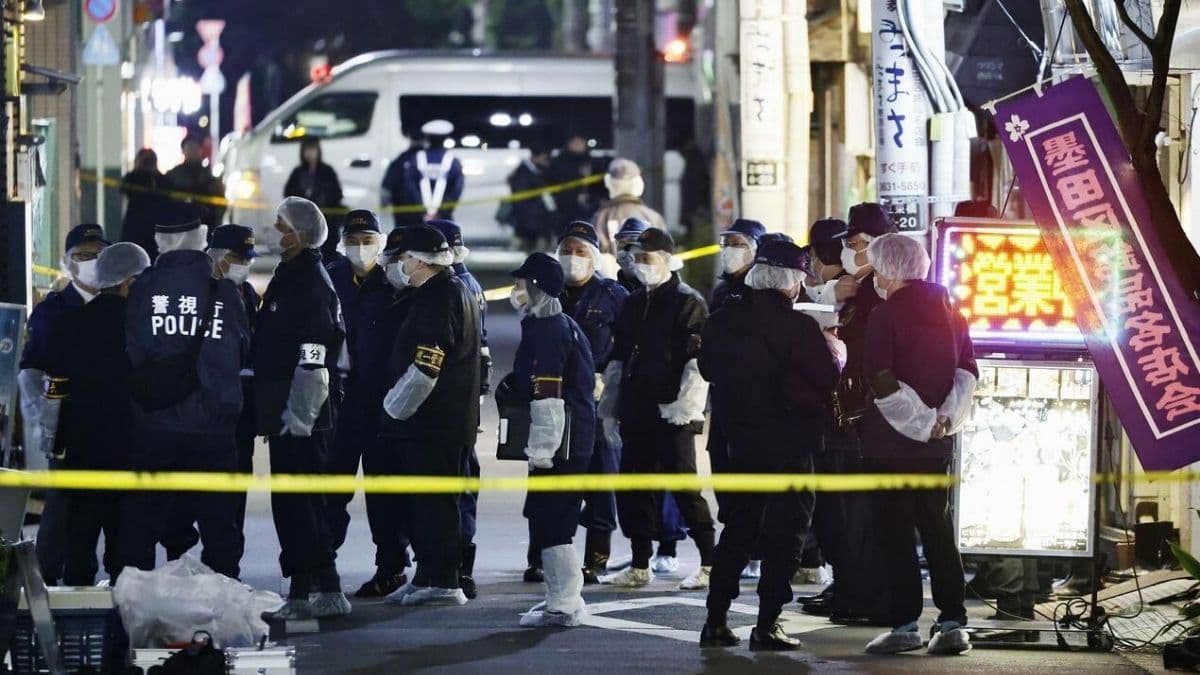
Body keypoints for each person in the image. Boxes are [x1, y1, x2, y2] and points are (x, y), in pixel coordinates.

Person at [699, 238, 840, 651]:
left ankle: (716, 619)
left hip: (737, 444)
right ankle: (767, 623)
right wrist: (834, 351)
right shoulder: (798, 327)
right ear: (791, 282)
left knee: (738, 529)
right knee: (786, 534)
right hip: (789, 448)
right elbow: (827, 378)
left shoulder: (723, 320)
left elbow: (707, 368)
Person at [859, 233, 978, 656]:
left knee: (895, 534)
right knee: (937, 529)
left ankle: (905, 623)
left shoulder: (884, 314)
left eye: (875, 269)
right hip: (936, 446)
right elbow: (967, 372)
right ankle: (952, 622)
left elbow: (880, 377)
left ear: (889, 271)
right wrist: (942, 420)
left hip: (890, 444)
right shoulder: (953, 312)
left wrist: (920, 422)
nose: (874, 277)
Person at [120, 206, 248, 582]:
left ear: (161, 241)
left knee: (141, 525)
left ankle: (133, 604)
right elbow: (242, 347)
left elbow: (134, 350)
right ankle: (222, 601)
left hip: (155, 425)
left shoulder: (144, 287)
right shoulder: (224, 290)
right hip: (214, 427)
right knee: (220, 527)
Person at [598, 227, 716, 590]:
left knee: (683, 487)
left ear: (666, 260)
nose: (640, 266)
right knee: (635, 488)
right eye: (636, 260)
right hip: (639, 409)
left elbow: (698, 363)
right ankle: (639, 563)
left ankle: (710, 563)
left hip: (674, 413)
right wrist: (611, 405)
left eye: (647, 259)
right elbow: (619, 357)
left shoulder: (687, 301)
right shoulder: (634, 303)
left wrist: (685, 407)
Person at [253, 197, 351, 620]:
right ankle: (308, 587)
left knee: (302, 503)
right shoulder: (292, 275)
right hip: (288, 410)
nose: (274, 231)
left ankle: (318, 590)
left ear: (301, 234)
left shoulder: (310, 283)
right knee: (294, 503)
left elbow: (314, 356)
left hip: (303, 416)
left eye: (281, 225)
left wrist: (300, 415)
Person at [377, 225, 481, 607]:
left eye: (400, 259)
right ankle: (426, 577)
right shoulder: (450, 290)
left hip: (434, 423)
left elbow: (427, 366)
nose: (396, 266)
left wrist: (393, 410)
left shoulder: (439, 297)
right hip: (441, 423)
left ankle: (444, 580)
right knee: (427, 504)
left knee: (437, 506)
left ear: (418, 261)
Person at [40, 243, 150, 585]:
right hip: (129, 446)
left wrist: (54, 442)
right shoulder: (140, 326)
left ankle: (77, 603)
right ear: (129, 282)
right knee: (127, 542)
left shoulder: (69, 322)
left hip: (80, 447)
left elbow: (55, 388)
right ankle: (124, 615)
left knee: (81, 535)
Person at [161, 224, 263, 562]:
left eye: (247, 258)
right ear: (215, 256)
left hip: (235, 414)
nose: (242, 264)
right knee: (183, 496)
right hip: (194, 412)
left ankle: (225, 568)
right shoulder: (191, 293)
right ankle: (180, 556)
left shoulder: (246, 294)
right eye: (236, 257)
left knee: (231, 502)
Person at [324, 210, 413, 598]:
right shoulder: (331, 277)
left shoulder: (396, 283)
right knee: (331, 489)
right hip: (341, 404)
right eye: (354, 241)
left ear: (381, 243)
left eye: (368, 241)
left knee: (386, 493)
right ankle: (321, 567)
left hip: (382, 404)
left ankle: (391, 567)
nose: (361, 249)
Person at [504, 253, 595, 627]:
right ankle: (560, 598)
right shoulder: (555, 324)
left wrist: (542, 450)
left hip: (562, 443)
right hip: (565, 440)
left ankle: (565, 604)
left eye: (522, 285)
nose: (516, 291)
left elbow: (549, 397)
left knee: (554, 519)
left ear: (538, 289)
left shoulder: (551, 331)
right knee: (546, 517)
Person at [19, 224, 110, 585]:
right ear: (67, 262)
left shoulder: (122, 302)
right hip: (67, 430)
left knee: (110, 513)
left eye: (98, 255)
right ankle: (47, 583)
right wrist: (45, 419)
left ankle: (89, 579)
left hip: (111, 427)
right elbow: (31, 368)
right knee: (61, 512)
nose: (90, 262)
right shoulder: (52, 311)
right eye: (83, 256)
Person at [545, 222, 628, 584]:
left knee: (599, 484)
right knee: (552, 483)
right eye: (567, 250)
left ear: (594, 258)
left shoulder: (613, 295)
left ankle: (597, 558)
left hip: (597, 406)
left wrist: (609, 380)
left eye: (581, 252)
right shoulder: (547, 291)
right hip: (554, 402)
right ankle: (546, 555)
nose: (573, 258)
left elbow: (627, 347)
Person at [427, 218, 489, 599]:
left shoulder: (456, 287)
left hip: (453, 401)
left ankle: (457, 570)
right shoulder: (469, 283)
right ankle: (454, 567)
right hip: (467, 401)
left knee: (458, 483)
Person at [381, 120, 464, 227]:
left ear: (427, 137)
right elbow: (456, 190)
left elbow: (409, 188)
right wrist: (441, 212)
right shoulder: (453, 162)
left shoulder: (415, 159)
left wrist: (422, 212)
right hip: (444, 219)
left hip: (416, 219)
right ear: (446, 138)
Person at [283, 137, 345, 261]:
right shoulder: (298, 172)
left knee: (328, 255)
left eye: (313, 150)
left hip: (327, 221)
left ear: (318, 151)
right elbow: (288, 194)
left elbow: (337, 194)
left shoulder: (327, 171)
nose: (310, 154)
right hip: (304, 224)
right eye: (307, 150)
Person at [590, 158, 667, 253]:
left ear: (609, 182)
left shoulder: (601, 217)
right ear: (639, 183)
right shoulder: (652, 216)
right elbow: (663, 254)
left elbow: (595, 253)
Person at [164, 136, 226, 228]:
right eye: (189, 148)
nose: (193, 151)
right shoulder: (173, 175)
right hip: (179, 224)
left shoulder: (209, 176)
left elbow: (219, 203)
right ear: (183, 150)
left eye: (196, 148)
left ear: (200, 150)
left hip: (205, 224)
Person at [120, 149, 170, 260]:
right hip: (136, 225)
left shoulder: (161, 180)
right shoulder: (132, 177)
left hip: (156, 227)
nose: (148, 163)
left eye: (150, 160)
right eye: (145, 160)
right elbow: (125, 189)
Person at [506, 141, 555, 251]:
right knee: (531, 248)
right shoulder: (523, 173)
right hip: (529, 218)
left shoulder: (537, 170)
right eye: (544, 158)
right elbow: (521, 199)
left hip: (536, 217)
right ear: (536, 156)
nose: (547, 162)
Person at [548, 134, 602, 230]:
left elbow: (598, 185)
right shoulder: (560, 162)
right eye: (575, 143)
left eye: (581, 142)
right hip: (566, 209)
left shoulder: (591, 161)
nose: (578, 145)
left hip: (589, 208)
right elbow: (554, 183)